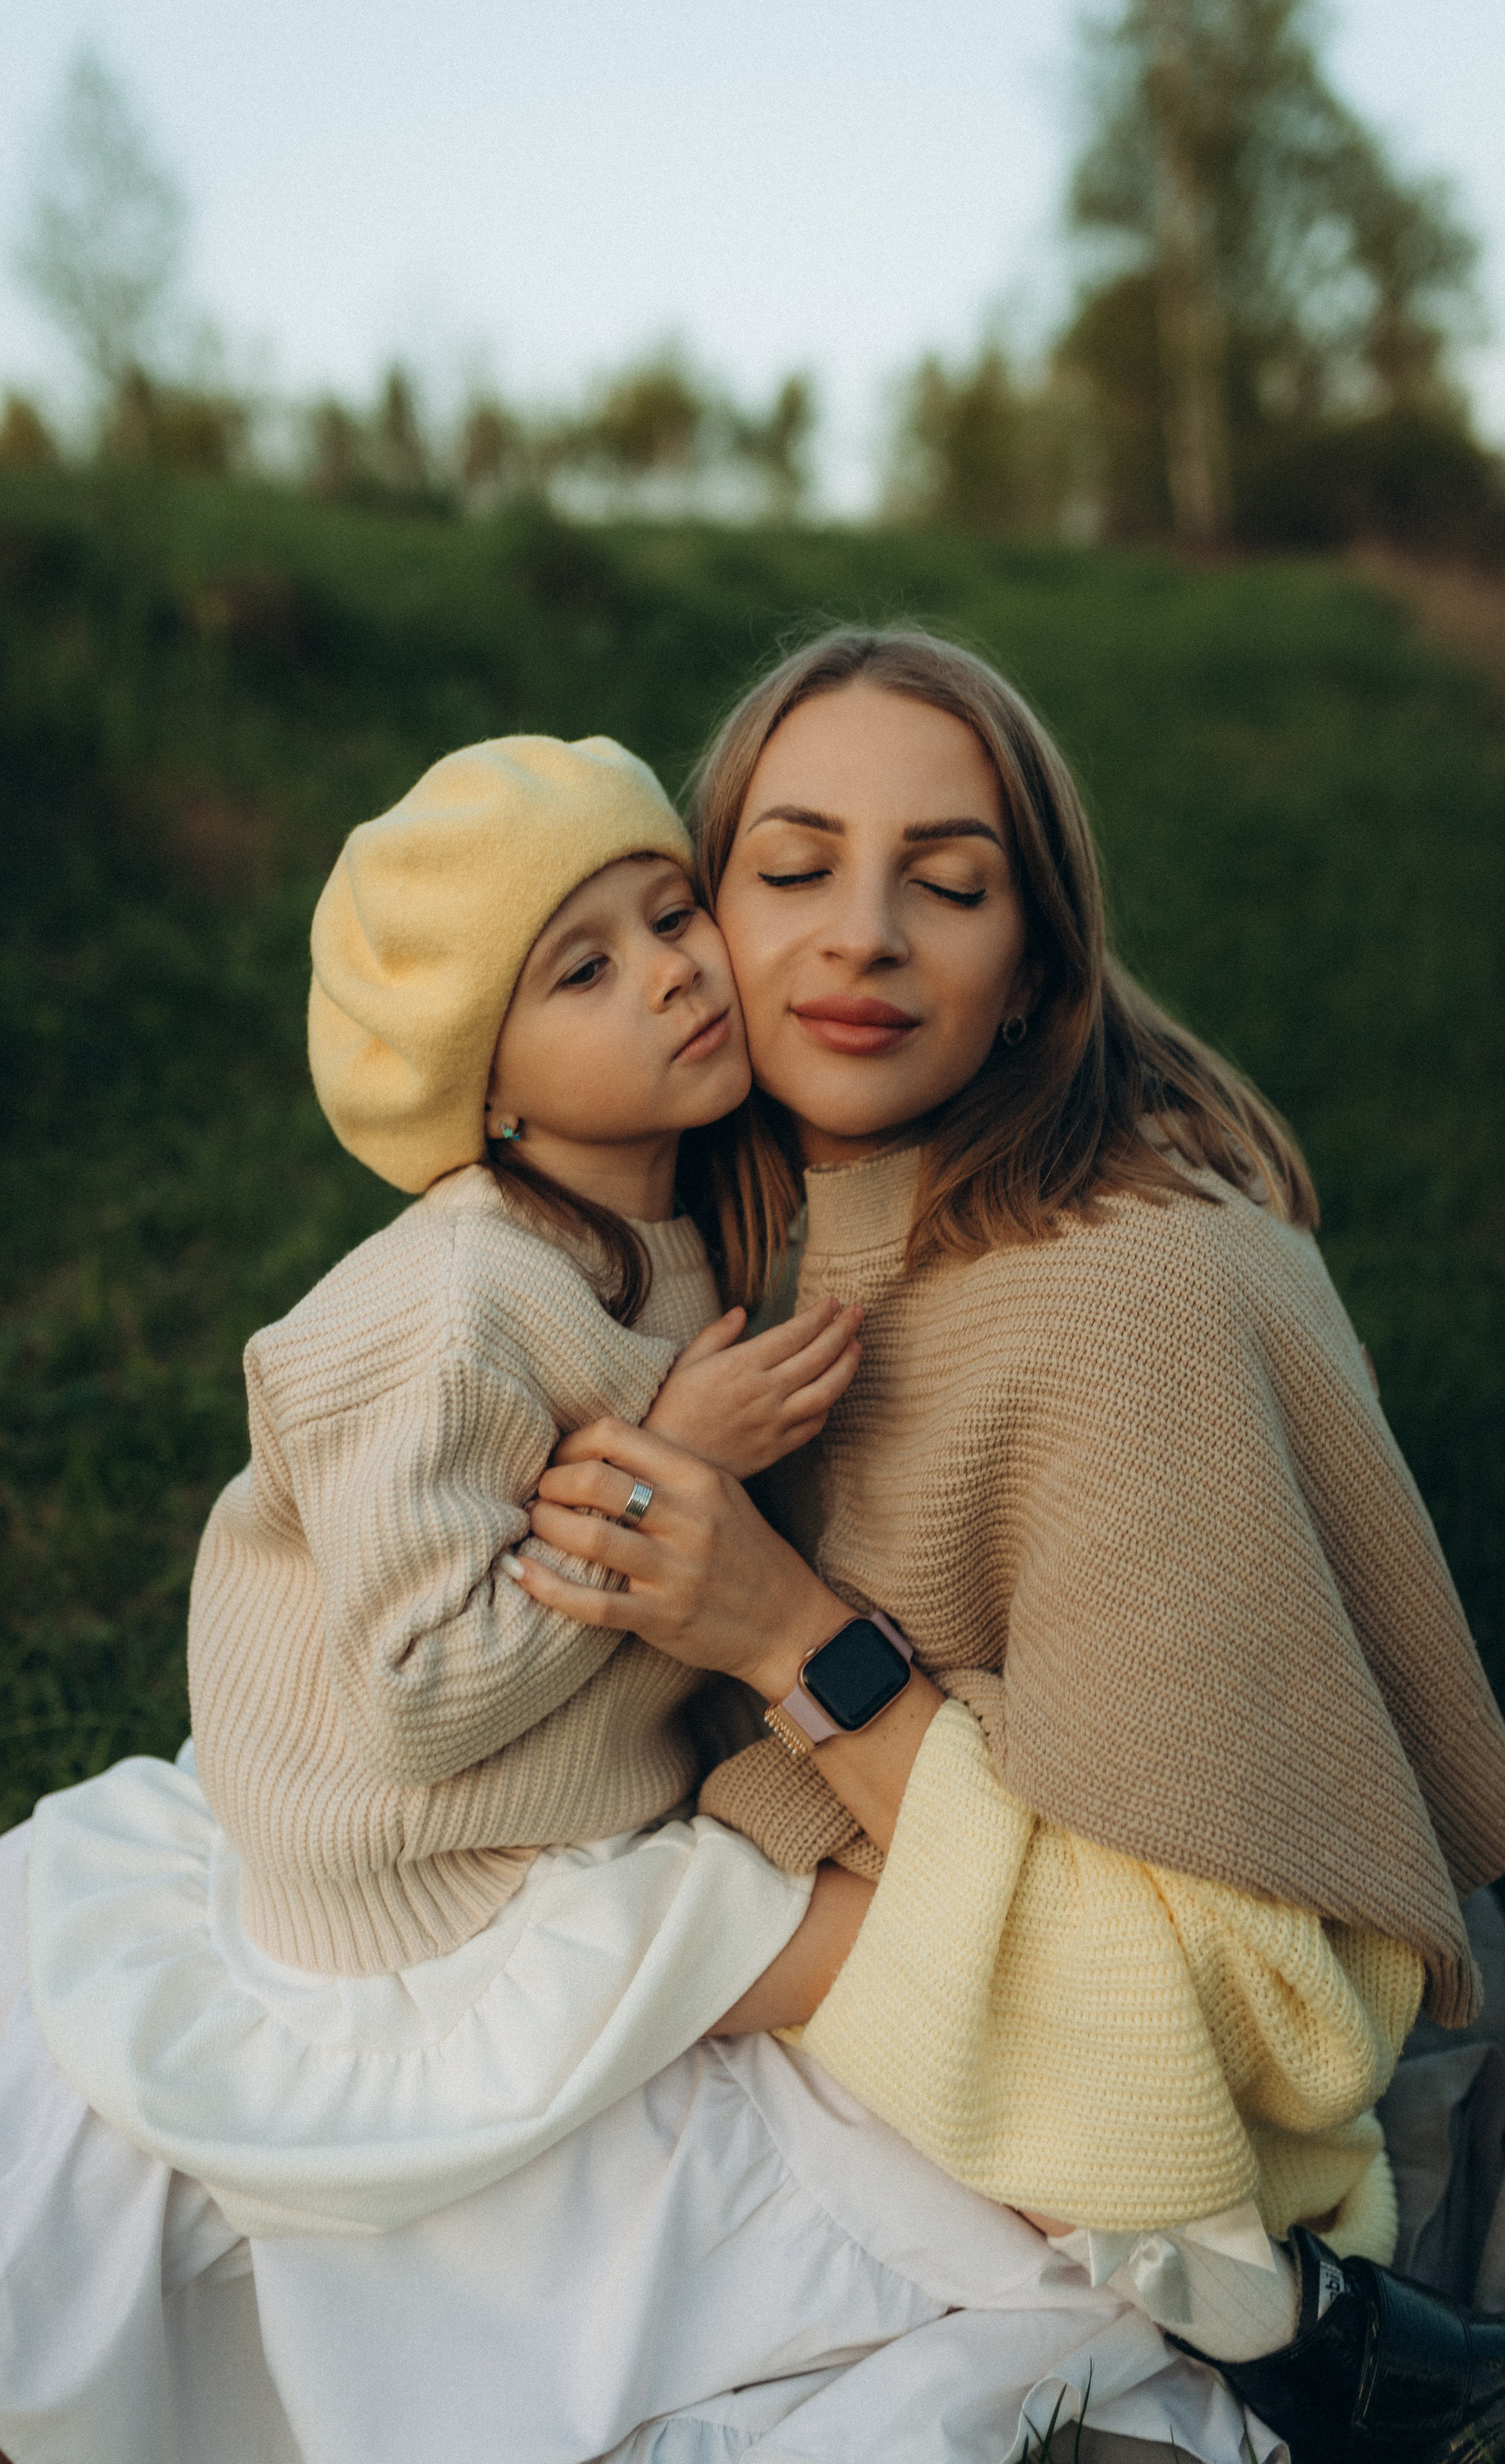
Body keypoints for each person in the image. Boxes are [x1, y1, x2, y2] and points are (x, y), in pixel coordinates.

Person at [0, 723, 1263, 2464]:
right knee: (825, 1945)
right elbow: (422, 1693)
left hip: (556, 1811)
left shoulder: (674, 1232)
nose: (676, 976)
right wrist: (677, 1463)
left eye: (671, 917)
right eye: (585, 971)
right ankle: (1168, 2232)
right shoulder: (445, 1307)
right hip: (436, 1874)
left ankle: (1147, 2204)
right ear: (493, 1085)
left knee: (855, 1954)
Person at [507, 628, 1505, 2464]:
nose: (863, 934)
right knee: (66, 1958)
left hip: (1100, 2138)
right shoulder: (748, 1229)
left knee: (125, 2178)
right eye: (793, 870)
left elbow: (1255, 2025)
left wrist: (789, 1631)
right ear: (696, 926)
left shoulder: (1133, 1297)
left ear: (1035, 956)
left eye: (945, 885)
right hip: (829, 1994)